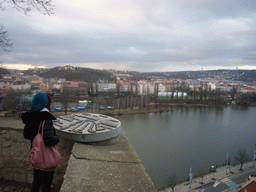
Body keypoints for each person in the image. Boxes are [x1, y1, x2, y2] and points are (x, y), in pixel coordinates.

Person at [22, 92, 59, 192]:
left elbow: (26, 135)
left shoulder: (31, 116)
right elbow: (49, 139)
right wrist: (57, 138)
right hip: (46, 156)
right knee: (46, 186)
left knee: (36, 182)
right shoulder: (46, 118)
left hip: (36, 154)